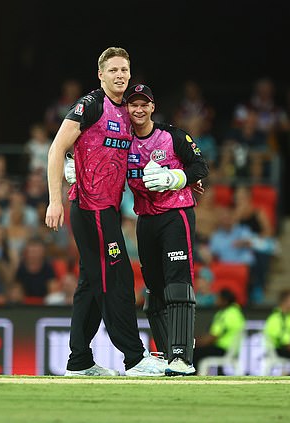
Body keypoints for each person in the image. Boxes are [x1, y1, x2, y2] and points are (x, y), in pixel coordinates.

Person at [66, 83, 209, 375]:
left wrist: (176, 178)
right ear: (126, 108)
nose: (139, 109)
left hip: (175, 215)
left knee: (177, 283)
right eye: (134, 105)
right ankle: (167, 354)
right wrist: (74, 165)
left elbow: (200, 167)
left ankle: (182, 356)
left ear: (153, 107)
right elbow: (95, 152)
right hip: (145, 219)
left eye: (145, 104)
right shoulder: (124, 140)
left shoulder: (172, 135)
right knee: (154, 288)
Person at [45, 47, 165, 376]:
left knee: (90, 283)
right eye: (113, 70)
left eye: (124, 69)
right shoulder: (91, 105)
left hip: (107, 210)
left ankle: (79, 361)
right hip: (89, 208)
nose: (120, 75)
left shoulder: (128, 112)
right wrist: (55, 200)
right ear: (101, 75)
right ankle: (134, 358)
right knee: (118, 279)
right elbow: (57, 148)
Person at [193, 289, 245, 374]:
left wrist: (195, 343)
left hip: (223, 349)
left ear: (225, 300)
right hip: (230, 350)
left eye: (218, 298)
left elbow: (213, 337)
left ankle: (192, 376)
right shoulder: (236, 312)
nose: (216, 300)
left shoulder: (227, 314)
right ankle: (220, 373)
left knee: (195, 352)